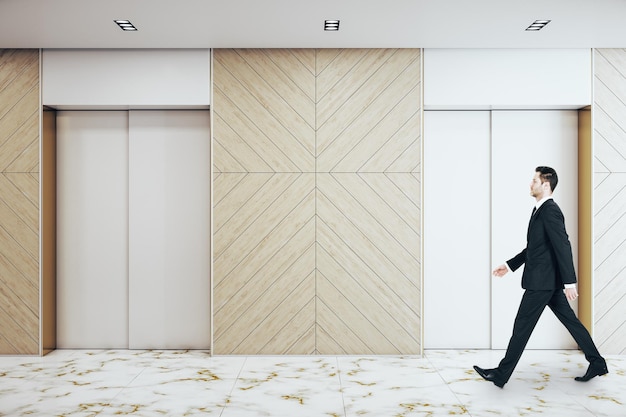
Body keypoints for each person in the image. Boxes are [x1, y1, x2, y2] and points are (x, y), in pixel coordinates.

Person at [474, 166, 608, 388]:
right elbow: (535, 248)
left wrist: (570, 282)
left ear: (546, 184)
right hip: (548, 281)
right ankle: (598, 363)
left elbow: (563, 246)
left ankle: (501, 375)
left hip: (542, 283)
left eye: (534, 180)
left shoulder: (550, 211)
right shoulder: (539, 210)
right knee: (571, 322)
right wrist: (509, 265)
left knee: (521, 326)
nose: (530, 183)